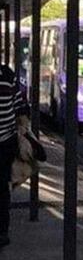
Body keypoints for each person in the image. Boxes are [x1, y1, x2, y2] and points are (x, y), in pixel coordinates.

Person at [0, 62, 30, 247]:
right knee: (2, 187)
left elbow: (20, 108)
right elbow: (20, 108)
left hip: (5, 143)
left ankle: (2, 231)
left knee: (2, 186)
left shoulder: (7, 75)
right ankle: (2, 231)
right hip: (6, 141)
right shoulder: (7, 75)